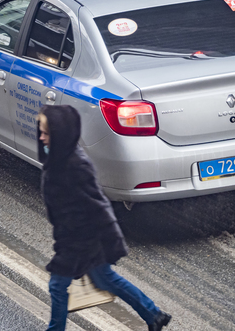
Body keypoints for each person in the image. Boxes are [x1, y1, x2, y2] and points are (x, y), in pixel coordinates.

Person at [37, 105, 172, 331]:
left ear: (60, 134)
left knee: (58, 286)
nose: (41, 137)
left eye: (46, 133)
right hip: (78, 238)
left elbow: (98, 206)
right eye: (40, 131)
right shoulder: (59, 161)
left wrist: (112, 242)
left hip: (81, 240)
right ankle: (154, 314)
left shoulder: (75, 166)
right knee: (104, 279)